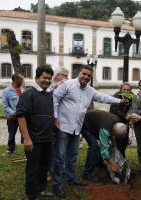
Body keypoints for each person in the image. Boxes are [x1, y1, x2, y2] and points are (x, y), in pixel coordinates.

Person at [52, 65, 126, 198]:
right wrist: (55, 116)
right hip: (63, 126)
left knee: (72, 156)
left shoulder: (90, 91)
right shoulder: (67, 84)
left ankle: (72, 179)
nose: (86, 77)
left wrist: (119, 101)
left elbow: (103, 97)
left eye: (89, 76)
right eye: (84, 74)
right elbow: (55, 98)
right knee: (60, 158)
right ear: (79, 73)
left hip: (77, 128)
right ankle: (57, 185)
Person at [15, 66, 55, 200]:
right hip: (33, 140)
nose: (47, 80)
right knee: (32, 168)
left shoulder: (50, 94)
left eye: (49, 78)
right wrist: (26, 139)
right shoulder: (28, 94)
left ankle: (41, 188)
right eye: (44, 78)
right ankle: (31, 195)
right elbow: (21, 116)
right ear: (37, 78)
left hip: (47, 139)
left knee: (44, 166)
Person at [81, 110, 130, 184]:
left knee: (103, 145)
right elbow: (104, 151)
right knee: (94, 146)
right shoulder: (105, 130)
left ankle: (99, 164)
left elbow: (113, 140)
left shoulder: (118, 122)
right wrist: (113, 164)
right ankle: (87, 173)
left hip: (96, 123)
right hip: (85, 124)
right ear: (113, 132)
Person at [1, 73, 24, 155]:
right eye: (21, 79)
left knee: (25, 132)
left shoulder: (22, 89)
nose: (22, 81)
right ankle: (10, 149)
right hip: (12, 118)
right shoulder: (7, 91)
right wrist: (13, 113)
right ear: (15, 80)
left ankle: (26, 148)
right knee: (12, 134)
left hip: (22, 117)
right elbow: (5, 106)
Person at [109, 82, 133, 158]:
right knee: (117, 142)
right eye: (124, 89)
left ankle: (121, 157)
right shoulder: (116, 97)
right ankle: (117, 158)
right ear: (120, 90)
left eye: (128, 90)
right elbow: (116, 110)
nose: (126, 91)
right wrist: (127, 117)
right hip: (116, 121)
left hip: (125, 122)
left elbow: (133, 107)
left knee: (125, 141)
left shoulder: (132, 96)